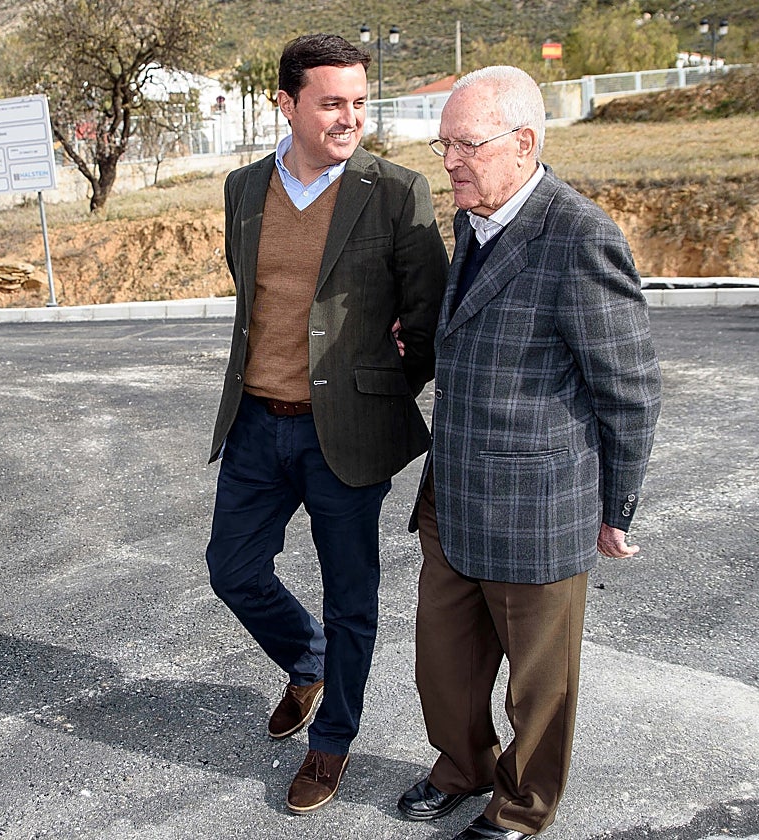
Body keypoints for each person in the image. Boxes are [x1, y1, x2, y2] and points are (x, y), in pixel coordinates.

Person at [395, 66, 662, 839]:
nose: (449, 161)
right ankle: (462, 768)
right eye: (444, 144)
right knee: (443, 666)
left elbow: (630, 389)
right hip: (453, 496)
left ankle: (522, 804)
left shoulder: (579, 236)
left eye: (466, 145)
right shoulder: (471, 221)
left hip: (537, 507)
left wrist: (616, 509)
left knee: (538, 687)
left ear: (525, 143)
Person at [205, 33, 448, 814]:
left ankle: (332, 742)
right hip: (255, 420)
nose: (350, 117)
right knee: (233, 570)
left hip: (345, 436)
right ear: (287, 103)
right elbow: (259, 302)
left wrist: (378, 390)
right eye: (332, 102)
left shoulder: (397, 191)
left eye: (359, 102)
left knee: (353, 597)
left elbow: (430, 318)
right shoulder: (243, 188)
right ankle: (307, 662)